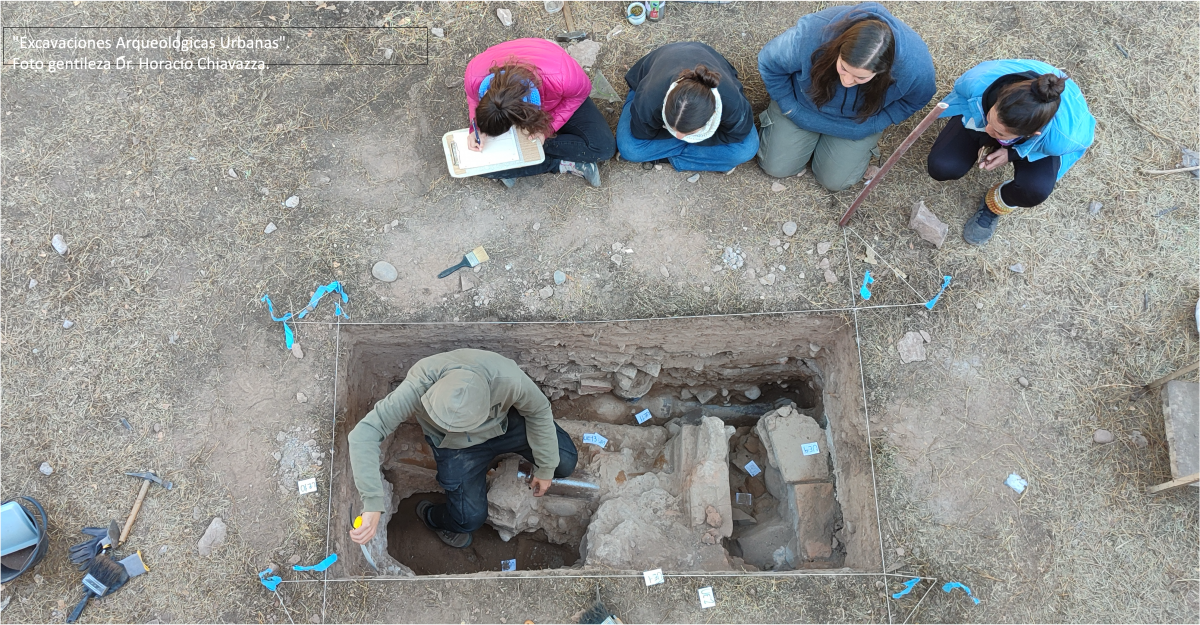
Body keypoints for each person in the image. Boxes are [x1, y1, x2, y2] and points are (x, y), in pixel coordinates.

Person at [347, 349, 578, 549]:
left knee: (564, 461)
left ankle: (514, 455)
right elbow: (363, 435)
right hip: (454, 447)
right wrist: (372, 503)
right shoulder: (418, 385)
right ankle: (432, 516)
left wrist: (546, 467)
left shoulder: (507, 378)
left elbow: (538, 411)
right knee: (468, 520)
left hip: (502, 426)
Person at [757, 2, 935, 191]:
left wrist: (876, 124)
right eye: (843, 68)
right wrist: (789, 106)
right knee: (775, 168)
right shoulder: (812, 33)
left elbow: (917, 99)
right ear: (839, 48)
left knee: (835, 182)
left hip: (855, 124)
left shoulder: (915, 67)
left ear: (883, 71)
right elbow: (769, 63)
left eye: (860, 77)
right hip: (802, 107)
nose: (847, 81)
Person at [927, 59, 1095, 245]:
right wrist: (987, 126)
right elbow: (961, 99)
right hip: (998, 106)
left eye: (998, 133)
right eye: (990, 119)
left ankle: (996, 203)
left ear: (1032, 135)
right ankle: (997, 125)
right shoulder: (978, 83)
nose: (988, 130)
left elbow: (1082, 142)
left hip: (1042, 133)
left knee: (1035, 190)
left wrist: (1013, 153)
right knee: (942, 166)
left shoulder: (1062, 138)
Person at [464, 38, 615, 188]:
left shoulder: (563, 76)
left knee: (603, 147)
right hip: (535, 98)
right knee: (476, 165)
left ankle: (515, 164)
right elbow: (473, 99)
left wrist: (546, 129)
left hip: (560, 100)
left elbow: (580, 94)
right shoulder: (474, 76)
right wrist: (477, 129)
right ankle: (558, 163)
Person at [616, 41, 758, 173]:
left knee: (747, 149)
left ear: (712, 115)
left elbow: (738, 133)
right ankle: (710, 161)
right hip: (652, 75)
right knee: (629, 148)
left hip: (704, 57)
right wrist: (695, 138)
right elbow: (641, 132)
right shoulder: (650, 99)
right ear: (665, 106)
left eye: (689, 133)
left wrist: (685, 138)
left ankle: (664, 156)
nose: (678, 136)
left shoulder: (731, 102)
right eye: (671, 127)